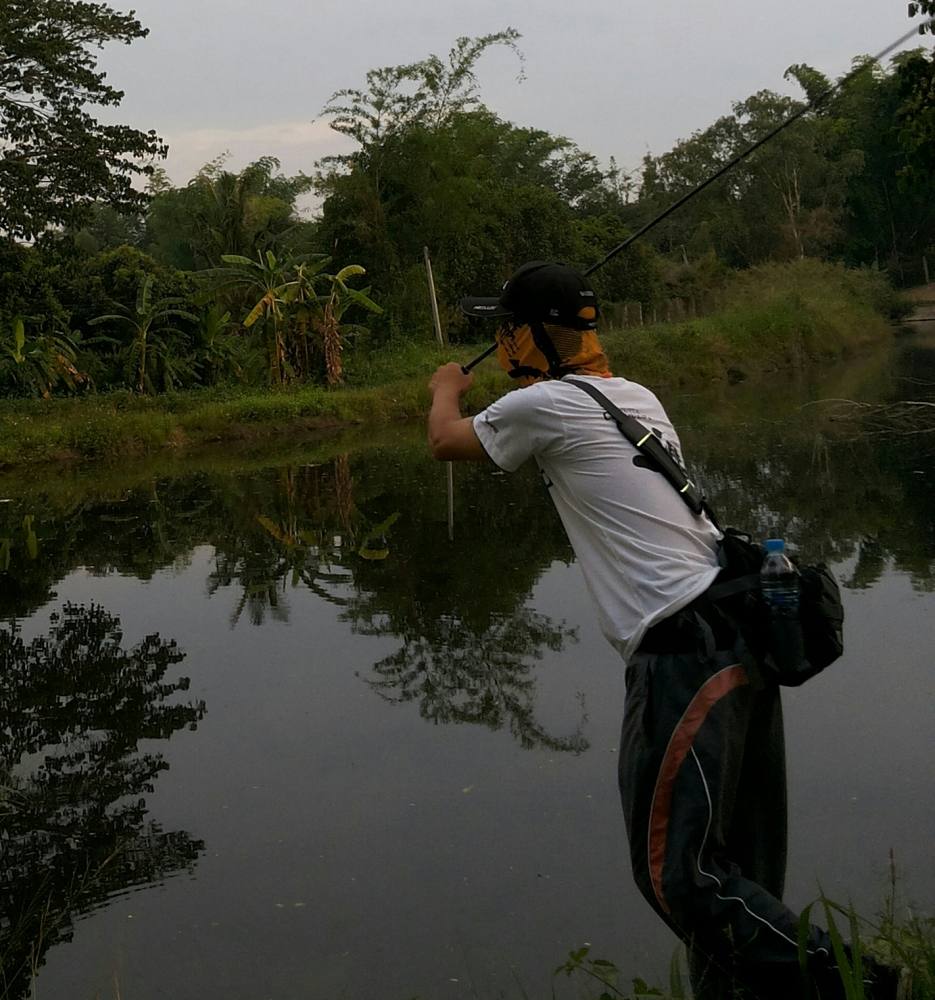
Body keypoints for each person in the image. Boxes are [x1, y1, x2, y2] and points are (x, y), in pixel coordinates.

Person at [427, 261, 901, 1000]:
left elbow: (445, 442)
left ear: (528, 335)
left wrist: (444, 387)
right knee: (736, 865)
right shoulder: (633, 396)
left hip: (681, 649)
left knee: (677, 875)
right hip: (735, 631)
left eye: (504, 327)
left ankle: (857, 985)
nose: (498, 338)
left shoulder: (545, 405)